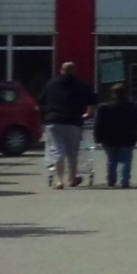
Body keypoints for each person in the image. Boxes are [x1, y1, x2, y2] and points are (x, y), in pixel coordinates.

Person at [38, 61, 96, 191]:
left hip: (53, 121)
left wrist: (47, 113)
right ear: (74, 71)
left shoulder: (50, 84)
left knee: (57, 150)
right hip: (73, 121)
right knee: (72, 152)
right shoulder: (82, 85)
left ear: (61, 71)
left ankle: (59, 181)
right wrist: (87, 114)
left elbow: (40, 102)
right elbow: (92, 104)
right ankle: (72, 178)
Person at [92, 82, 137, 190]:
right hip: (128, 137)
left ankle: (111, 180)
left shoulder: (104, 108)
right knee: (126, 159)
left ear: (113, 94)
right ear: (126, 93)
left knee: (111, 159)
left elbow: (98, 124)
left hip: (109, 138)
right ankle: (125, 181)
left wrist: (97, 137)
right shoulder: (133, 106)